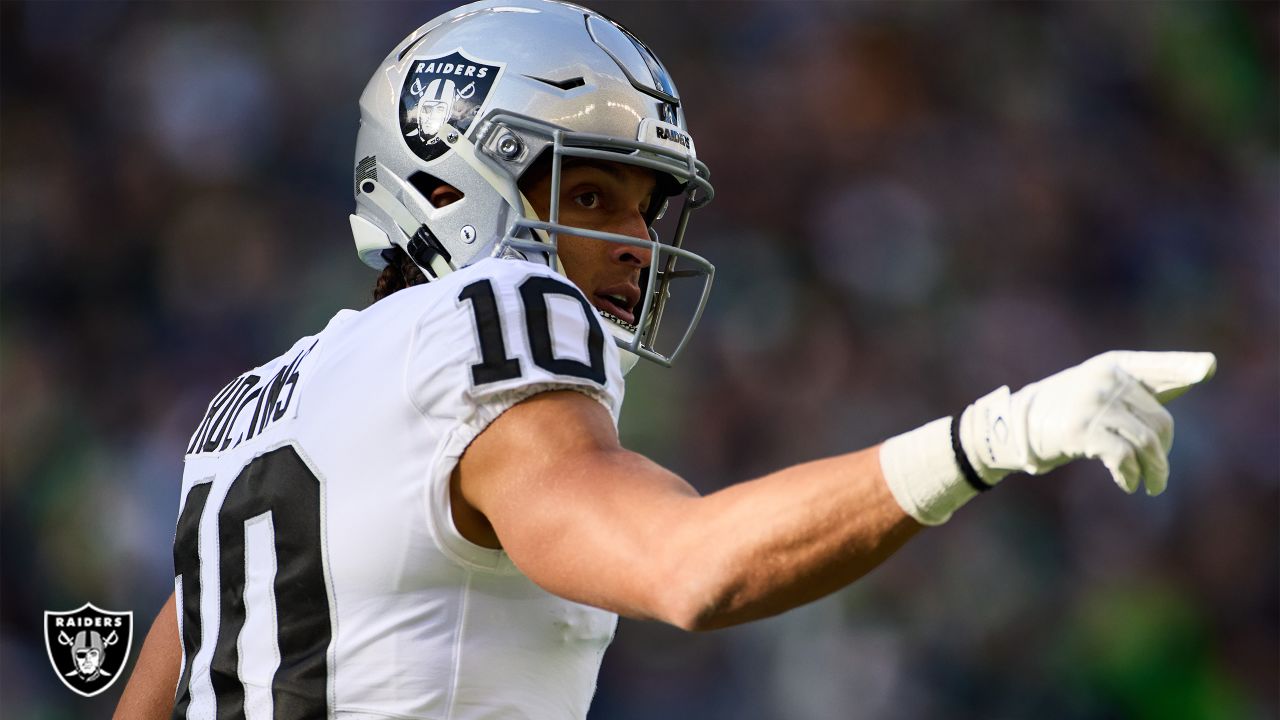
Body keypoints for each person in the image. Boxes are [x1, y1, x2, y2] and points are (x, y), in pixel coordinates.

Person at [115, 1, 1216, 718]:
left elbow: (160, 683)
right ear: (444, 183)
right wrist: (987, 439)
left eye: (646, 213)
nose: (634, 252)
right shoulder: (486, 319)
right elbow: (688, 569)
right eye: (588, 195)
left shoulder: (249, 411)